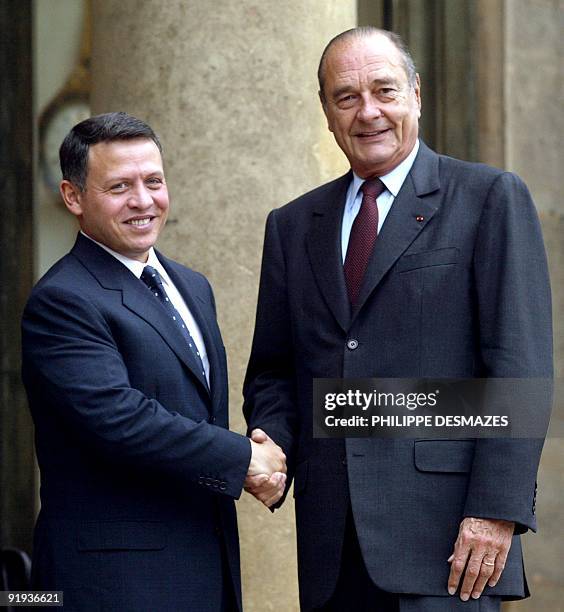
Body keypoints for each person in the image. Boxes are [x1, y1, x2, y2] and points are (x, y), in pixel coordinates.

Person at [243, 28, 552, 611]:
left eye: (384, 90)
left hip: (451, 544)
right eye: (346, 97)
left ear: (415, 93)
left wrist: (495, 510)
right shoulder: (291, 225)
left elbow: (520, 370)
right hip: (332, 544)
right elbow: (275, 372)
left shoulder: (488, 198)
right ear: (327, 112)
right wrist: (273, 441)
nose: (369, 113)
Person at [22, 112, 286, 611]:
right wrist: (243, 459)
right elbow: (120, 419)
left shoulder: (191, 285)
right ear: (73, 196)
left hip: (206, 570)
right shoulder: (62, 299)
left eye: (154, 182)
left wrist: (262, 456)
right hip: (114, 583)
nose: (143, 201)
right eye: (119, 186)